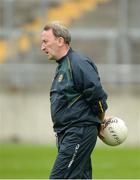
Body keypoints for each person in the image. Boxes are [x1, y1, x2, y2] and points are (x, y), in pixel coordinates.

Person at [41, 21, 108, 179]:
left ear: (60, 41)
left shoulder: (78, 63)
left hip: (78, 132)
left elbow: (97, 94)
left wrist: (101, 119)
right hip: (68, 133)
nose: (42, 47)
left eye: (45, 42)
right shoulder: (63, 65)